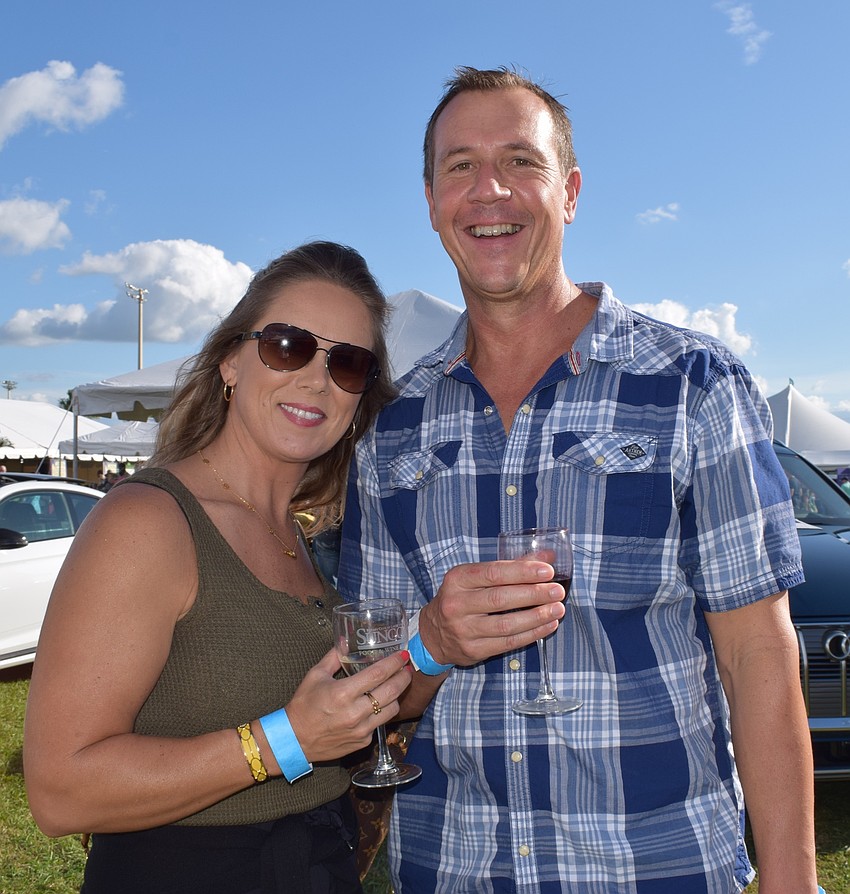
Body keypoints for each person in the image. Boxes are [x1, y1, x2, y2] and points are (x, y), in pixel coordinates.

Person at [338, 67, 818, 893]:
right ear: (430, 201)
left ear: (570, 193)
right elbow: (373, 685)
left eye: (521, 161)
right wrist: (434, 641)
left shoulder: (692, 384)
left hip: (662, 868)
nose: (489, 190)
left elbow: (759, 655)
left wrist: (792, 877)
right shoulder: (393, 426)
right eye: (460, 166)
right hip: (458, 869)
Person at [24, 241, 408, 894]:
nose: (317, 378)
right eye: (288, 346)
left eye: (347, 363)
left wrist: (443, 645)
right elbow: (61, 792)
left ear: (359, 402)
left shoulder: (304, 534)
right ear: (231, 360)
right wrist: (286, 740)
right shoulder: (147, 522)